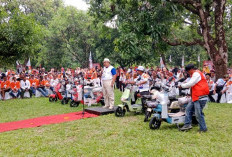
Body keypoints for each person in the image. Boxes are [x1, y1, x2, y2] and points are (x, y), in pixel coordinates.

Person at [179, 64, 209, 133]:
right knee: (188, 109)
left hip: (200, 97)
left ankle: (203, 128)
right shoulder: (195, 74)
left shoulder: (196, 74)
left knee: (198, 113)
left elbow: (191, 83)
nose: (187, 73)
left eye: (187, 71)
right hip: (195, 97)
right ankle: (187, 125)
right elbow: (193, 85)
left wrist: (181, 85)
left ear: (190, 70)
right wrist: (189, 93)